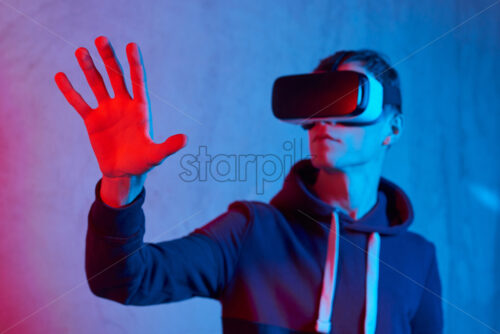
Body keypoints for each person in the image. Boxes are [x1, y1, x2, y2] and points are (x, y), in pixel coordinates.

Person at [55, 36, 443, 334]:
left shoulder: (418, 258)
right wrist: (120, 185)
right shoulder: (251, 231)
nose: (324, 119)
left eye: (343, 99)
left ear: (392, 128)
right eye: (314, 104)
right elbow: (123, 280)